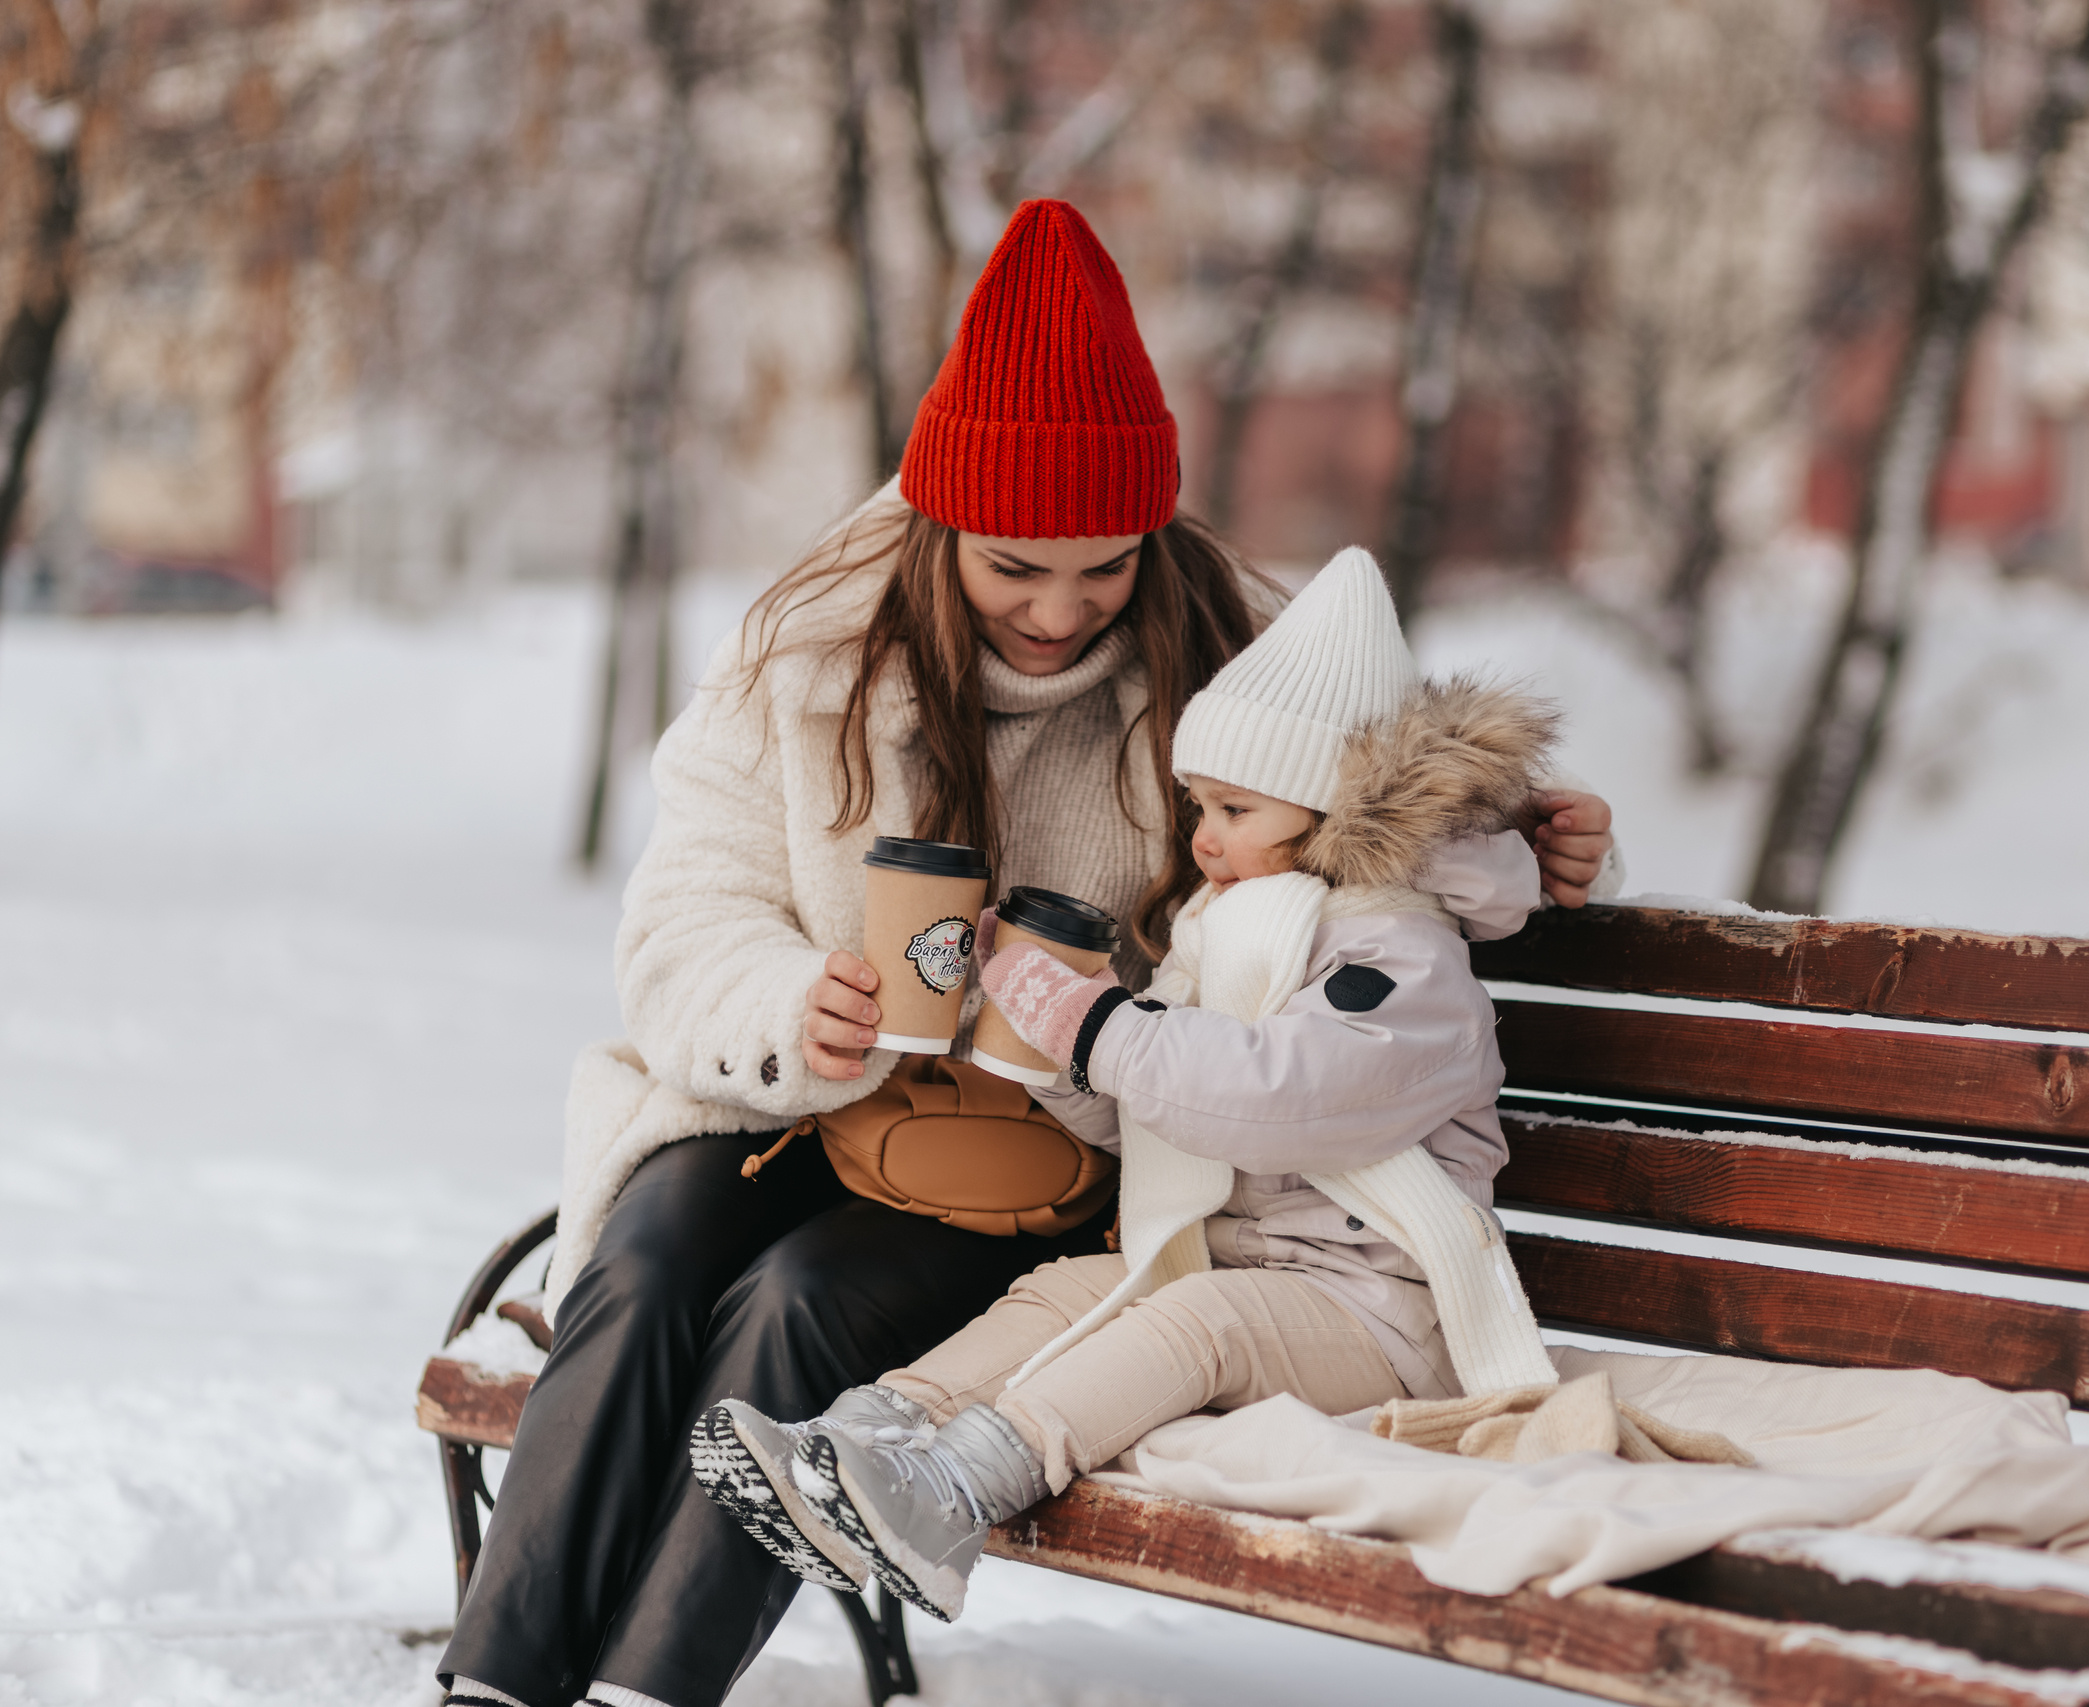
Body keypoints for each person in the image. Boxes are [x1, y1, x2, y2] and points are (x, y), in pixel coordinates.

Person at [437, 199, 1620, 1707]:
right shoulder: (805, 650)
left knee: (799, 1300)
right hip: (792, 1102)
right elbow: (688, 912)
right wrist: (795, 1005)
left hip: (1048, 1156)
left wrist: (1549, 838)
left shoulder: (1230, 645)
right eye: (1015, 567)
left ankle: (646, 1689)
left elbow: (1404, 780)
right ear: (942, 526)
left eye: (1105, 568)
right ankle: (494, 1681)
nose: (1063, 610)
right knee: (654, 1252)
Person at [696, 545, 1563, 1624]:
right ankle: (866, 1441)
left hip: (1380, 1310)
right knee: (1065, 1293)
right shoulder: (1237, 927)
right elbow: (1166, 1115)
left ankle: (953, 1490)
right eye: (1196, 803)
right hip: (1237, 1262)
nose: (1201, 840)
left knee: (1188, 1324)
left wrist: (1098, 1024)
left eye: (1234, 811)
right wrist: (1056, 1045)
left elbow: (1269, 1099)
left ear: (1331, 813)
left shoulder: (1400, 957)